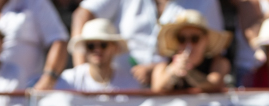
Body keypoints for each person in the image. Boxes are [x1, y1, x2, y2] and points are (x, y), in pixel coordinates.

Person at [69, 0, 223, 85]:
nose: (188, 42)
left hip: (166, 86)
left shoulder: (206, 2)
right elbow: (83, 14)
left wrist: (158, 69)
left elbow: (212, 53)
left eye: (193, 38)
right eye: (182, 38)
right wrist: (83, 73)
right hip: (119, 87)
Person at [150, 8, 230, 89]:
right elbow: (157, 88)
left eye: (194, 39)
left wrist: (189, 72)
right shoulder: (165, 63)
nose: (188, 44)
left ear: (206, 40)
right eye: (182, 39)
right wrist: (173, 70)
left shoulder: (218, 63)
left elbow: (213, 85)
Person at [57, 15, 143, 88]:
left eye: (103, 45)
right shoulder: (69, 81)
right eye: (91, 46)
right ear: (85, 49)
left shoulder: (129, 82)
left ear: (114, 47)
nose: (97, 50)